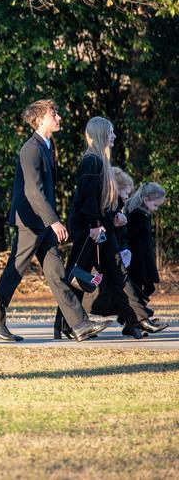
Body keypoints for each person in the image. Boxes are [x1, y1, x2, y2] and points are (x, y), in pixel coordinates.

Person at [0, 100, 108, 342]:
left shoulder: (48, 145)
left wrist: (51, 221)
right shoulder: (31, 149)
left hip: (43, 223)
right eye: (54, 114)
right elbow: (33, 191)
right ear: (39, 120)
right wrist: (54, 221)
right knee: (15, 271)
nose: (58, 118)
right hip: (31, 222)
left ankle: (79, 325)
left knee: (57, 273)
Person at [58, 118, 165, 339]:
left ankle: (138, 319)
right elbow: (87, 198)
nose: (114, 136)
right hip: (91, 230)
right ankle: (66, 324)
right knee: (78, 274)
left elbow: (101, 199)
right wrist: (95, 225)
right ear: (101, 134)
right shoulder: (91, 161)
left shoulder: (101, 161)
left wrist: (114, 215)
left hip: (102, 227)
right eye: (111, 132)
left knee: (117, 273)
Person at [123, 182, 167, 319]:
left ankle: (132, 317)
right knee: (140, 289)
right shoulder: (137, 215)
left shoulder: (144, 215)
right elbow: (129, 236)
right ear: (146, 199)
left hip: (145, 259)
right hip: (138, 260)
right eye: (155, 205)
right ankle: (133, 316)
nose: (156, 209)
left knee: (148, 288)